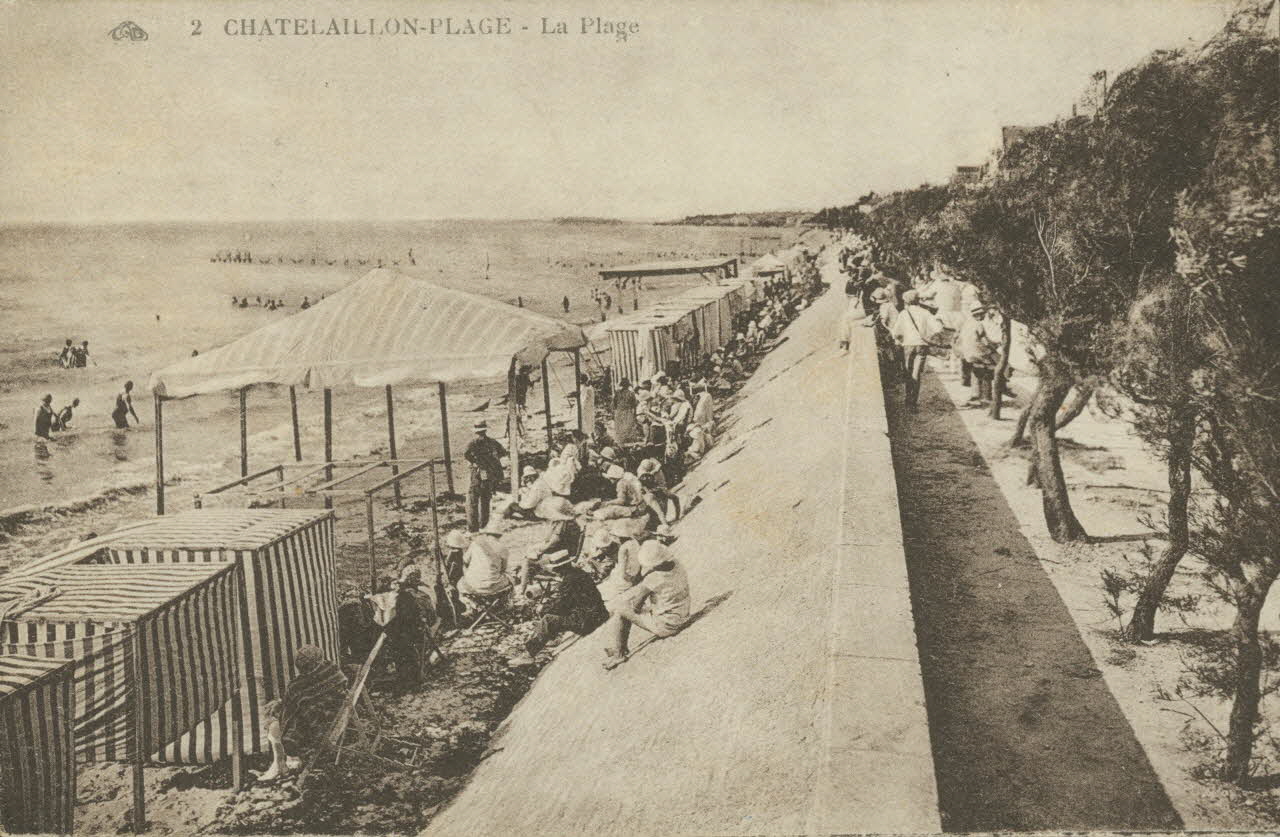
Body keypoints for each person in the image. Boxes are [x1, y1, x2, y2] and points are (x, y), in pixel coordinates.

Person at [256, 644, 348, 781]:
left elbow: (288, 712)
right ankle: (283, 762)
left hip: (319, 729)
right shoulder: (333, 671)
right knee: (284, 714)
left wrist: (278, 707)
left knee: (274, 723)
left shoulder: (298, 686)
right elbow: (301, 703)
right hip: (336, 718)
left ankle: (279, 763)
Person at [509, 549, 609, 666]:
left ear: (559, 568)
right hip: (600, 613)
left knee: (548, 619)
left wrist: (543, 608)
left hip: (588, 621)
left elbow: (562, 606)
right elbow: (568, 601)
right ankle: (550, 637)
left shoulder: (569, 581)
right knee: (552, 614)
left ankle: (529, 655)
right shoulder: (580, 573)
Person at [602, 539, 690, 669]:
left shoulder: (652, 578)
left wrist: (634, 602)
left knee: (621, 609)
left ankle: (619, 654)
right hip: (682, 614)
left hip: (667, 626)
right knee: (628, 604)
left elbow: (636, 607)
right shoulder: (677, 564)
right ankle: (619, 646)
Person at [890, 290, 944, 411]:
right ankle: (913, 403)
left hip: (908, 345)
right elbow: (938, 328)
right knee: (916, 373)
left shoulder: (904, 313)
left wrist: (899, 338)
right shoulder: (925, 312)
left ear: (906, 302)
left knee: (908, 373)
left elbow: (896, 332)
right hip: (922, 346)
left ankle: (908, 400)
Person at [457, 519, 513, 603]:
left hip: (473, 585)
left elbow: (465, 561)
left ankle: (468, 604)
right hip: (493, 587)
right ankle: (503, 604)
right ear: (500, 535)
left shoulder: (476, 543)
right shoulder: (503, 548)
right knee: (511, 580)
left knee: (460, 584)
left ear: (486, 534)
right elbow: (503, 569)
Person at [464, 419, 506, 532]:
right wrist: (491, 461)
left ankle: (473, 528)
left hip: (479, 472)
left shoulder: (473, 443)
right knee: (485, 499)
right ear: (485, 430)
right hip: (489, 473)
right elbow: (503, 452)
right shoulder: (492, 442)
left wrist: (475, 462)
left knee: (473, 499)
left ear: (476, 431)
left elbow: (466, 455)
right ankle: (484, 525)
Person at [611, 378, 642, 445]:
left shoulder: (618, 393)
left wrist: (614, 412)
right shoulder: (630, 393)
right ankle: (626, 440)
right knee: (627, 426)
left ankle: (622, 441)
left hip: (620, 411)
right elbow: (634, 405)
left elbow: (614, 404)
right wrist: (635, 414)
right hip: (627, 411)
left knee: (621, 426)